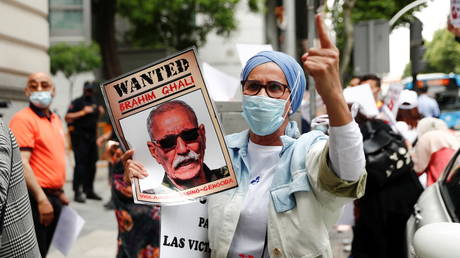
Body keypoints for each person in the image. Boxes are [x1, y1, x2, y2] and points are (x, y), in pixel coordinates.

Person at [125, 14, 367, 257]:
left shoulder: (308, 151)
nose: (262, 95)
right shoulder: (222, 155)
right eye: (253, 86)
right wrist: (140, 180)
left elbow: (348, 173)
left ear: (291, 100)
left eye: (274, 88)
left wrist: (332, 92)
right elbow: (181, 211)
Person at [350, 103, 423, 258]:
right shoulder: (381, 125)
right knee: (400, 242)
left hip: (377, 199)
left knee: (375, 245)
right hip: (406, 190)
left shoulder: (351, 133)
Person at [10, 72, 69, 257]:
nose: (39, 90)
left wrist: (60, 192)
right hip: (36, 198)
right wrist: (41, 199)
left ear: (53, 90)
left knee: (45, 249)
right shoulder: (23, 119)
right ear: (27, 90)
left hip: (53, 196)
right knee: (35, 252)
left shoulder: (55, 119)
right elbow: (22, 163)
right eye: (34, 86)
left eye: (45, 85)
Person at [145, 100, 228, 191]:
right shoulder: (148, 201)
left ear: (202, 136)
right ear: (154, 152)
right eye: (168, 142)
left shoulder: (236, 175)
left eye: (189, 135)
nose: (182, 149)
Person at [0, 120, 41, 257]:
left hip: (43, 193)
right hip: (35, 191)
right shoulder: (23, 119)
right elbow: (24, 161)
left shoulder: (53, 119)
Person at [65, 81, 104, 202]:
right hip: (79, 137)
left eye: (91, 90)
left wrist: (100, 112)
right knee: (80, 165)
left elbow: (97, 118)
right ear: (83, 89)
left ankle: (89, 190)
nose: (89, 92)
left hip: (92, 137)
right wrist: (83, 112)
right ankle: (77, 191)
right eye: (87, 90)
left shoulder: (95, 103)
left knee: (92, 164)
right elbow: (67, 117)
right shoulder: (77, 102)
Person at [413, 117, 460, 187]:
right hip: (454, 182)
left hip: (442, 186)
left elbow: (418, 169)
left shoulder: (426, 138)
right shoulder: (451, 134)